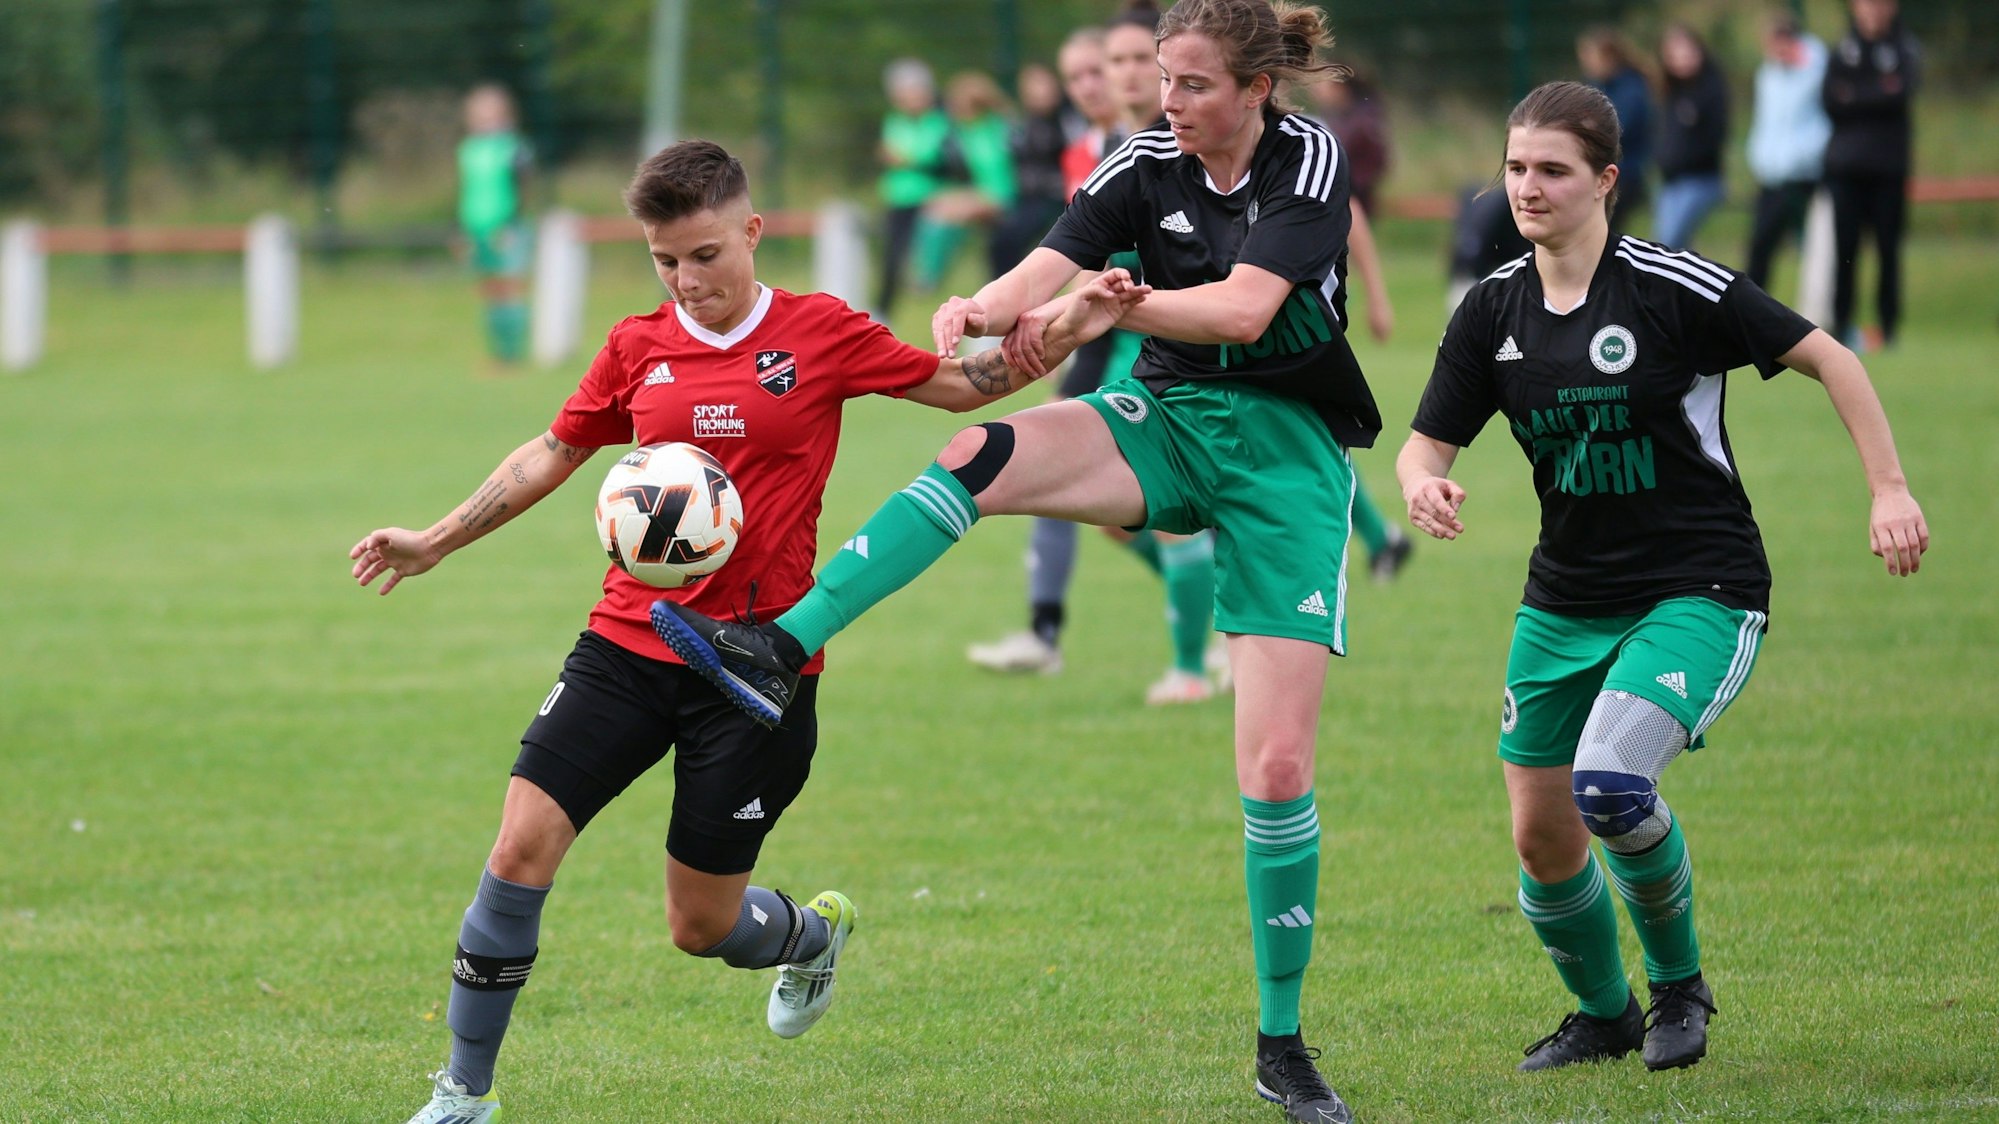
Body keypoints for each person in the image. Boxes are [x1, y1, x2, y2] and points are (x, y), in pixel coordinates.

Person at [654, 3, 1372, 1119]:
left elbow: (1241, 309)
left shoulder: (1306, 159)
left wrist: (1108, 307)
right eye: (1162, 82)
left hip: (1286, 455)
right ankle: (779, 645)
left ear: (1255, 89)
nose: (1165, 103)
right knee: (978, 448)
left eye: (1188, 85)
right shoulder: (1147, 160)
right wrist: (976, 311)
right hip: (1173, 416)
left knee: (1275, 771)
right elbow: (1049, 262)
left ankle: (1281, 1043)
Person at [355, 140, 1139, 1124]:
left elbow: (970, 383)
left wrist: (1074, 316)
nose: (689, 280)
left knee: (700, 925)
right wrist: (435, 538)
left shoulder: (820, 332)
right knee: (520, 846)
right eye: (666, 260)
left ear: (753, 232)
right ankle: (463, 1090)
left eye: (706, 255)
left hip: (761, 671)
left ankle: (808, 935)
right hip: (628, 642)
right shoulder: (638, 344)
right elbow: (557, 448)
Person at [1395, 81, 1928, 1076]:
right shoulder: (1492, 309)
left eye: (1551, 169)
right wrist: (1425, 485)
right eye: (1514, 168)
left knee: (1607, 783)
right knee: (1542, 839)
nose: (1528, 187)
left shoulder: (1671, 285)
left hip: (1698, 584)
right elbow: (1422, 445)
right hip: (1560, 598)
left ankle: (1679, 984)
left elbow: (1832, 358)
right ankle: (1603, 1014)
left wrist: (1887, 488)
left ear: (1605, 179)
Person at [968, 4, 1232, 706]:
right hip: (1110, 337)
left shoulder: (1197, 148)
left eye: (1121, 62)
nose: (1106, 79)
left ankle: (1188, 662)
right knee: (1111, 514)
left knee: (1175, 508)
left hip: (1177, 346)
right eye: (1094, 68)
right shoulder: (1096, 149)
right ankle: (1218, 618)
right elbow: (1078, 256)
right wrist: (1043, 323)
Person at [1823, 0, 1920, 351]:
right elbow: (1831, 100)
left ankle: (1888, 327)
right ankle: (1840, 325)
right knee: (1845, 251)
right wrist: (1878, 92)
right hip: (1845, 170)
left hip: (1888, 171)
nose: (1873, 10)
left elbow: (1899, 95)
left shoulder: (1904, 49)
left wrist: (1856, 96)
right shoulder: (1842, 50)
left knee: (1888, 251)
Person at [1743, 13, 1832, 289]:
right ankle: (1751, 310)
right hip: (1773, 175)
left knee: (1816, 249)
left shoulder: (1816, 72)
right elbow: (1766, 123)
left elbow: (1824, 120)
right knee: (1760, 245)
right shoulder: (1768, 76)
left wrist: (1804, 155)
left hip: (1806, 175)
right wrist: (1760, 157)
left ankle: (1826, 310)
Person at [913, 71, 1018, 290]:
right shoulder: (964, 131)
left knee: (948, 213)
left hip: (1003, 195)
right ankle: (929, 271)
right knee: (935, 205)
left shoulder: (999, 127)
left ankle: (931, 275)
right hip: (983, 192)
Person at [456, 84, 532, 369]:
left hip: (507, 229)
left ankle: (513, 355)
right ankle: (498, 353)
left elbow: (523, 188)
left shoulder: (514, 148)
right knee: (488, 290)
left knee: (509, 287)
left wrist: (510, 224)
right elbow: (467, 192)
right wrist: (463, 230)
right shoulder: (467, 150)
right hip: (477, 229)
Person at [872, 58, 950, 321]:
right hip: (898, 198)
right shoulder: (894, 121)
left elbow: (934, 159)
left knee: (926, 260)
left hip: (929, 200)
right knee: (891, 259)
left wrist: (905, 160)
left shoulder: (939, 122)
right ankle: (883, 314)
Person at [1652, 24, 1729, 250]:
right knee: (1670, 248)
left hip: (1699, 179)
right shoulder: (1669, 92)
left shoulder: (1710, 89)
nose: (1682, 59)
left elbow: (1714, 137)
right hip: (1669, 181)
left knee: (1668, 243)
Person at [1576, 28, 1654, 229]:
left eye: (1591, 57)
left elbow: (1618, 130)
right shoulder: (1597, 86)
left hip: (1625, 174)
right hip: (1598, 171)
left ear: (1609, 57)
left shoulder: (1632, 90)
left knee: (1600, 231)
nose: (1587, 63)